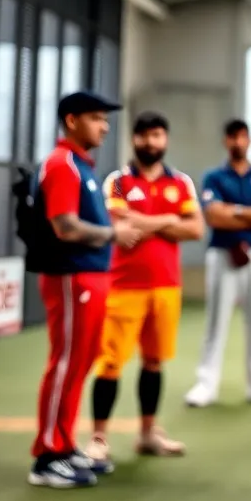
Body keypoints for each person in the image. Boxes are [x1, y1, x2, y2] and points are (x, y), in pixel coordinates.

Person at [23, 91, 141, 489]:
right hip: (70, 278)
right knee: (64, 363)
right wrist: (114, 232)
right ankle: (46, 455)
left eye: (105, 119)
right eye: (95, 118)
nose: (104, 126)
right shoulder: (62, 166)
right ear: (71, 121)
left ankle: (64, 444)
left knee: (79, 363)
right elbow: (65, 226)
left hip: (90, 277)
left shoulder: (81, 166)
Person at [84, 111, 204, 465]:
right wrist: (170, 220)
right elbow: (120, 223)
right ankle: (99, 437)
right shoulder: (118, 181)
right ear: (134, 139)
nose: (150, 142)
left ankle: (148, 434)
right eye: (144, 136)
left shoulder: (181, 182)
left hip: (167, 287)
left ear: (165, 140)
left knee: (153, 362)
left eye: (157, 135)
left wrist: (149, 221)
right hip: (124, 286)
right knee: (110, 364)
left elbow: (196, 229)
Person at [185, 119, 251, 407]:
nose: (237, 142)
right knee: (216, 319)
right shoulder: (214, 177)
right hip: (223, 253)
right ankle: (207, 383)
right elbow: (214, 216)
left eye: (242, 137)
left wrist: (235, 212)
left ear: (249, 140)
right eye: (232, 137)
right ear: (225, 141)